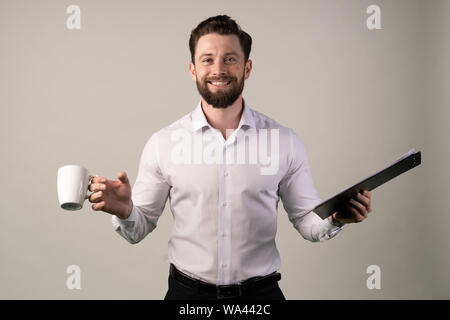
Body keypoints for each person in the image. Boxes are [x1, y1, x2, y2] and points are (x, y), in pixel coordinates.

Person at [87, 15, 372, 300]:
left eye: (230, 59)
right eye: (207, 59)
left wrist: (336, 218)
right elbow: (137, 229)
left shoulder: (284, 142)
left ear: (247, 68)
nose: (218, 69)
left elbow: (308, 222)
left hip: (261, 298)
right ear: (192, 69)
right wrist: (125, 211)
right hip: (187, 297)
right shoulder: (163, 143)